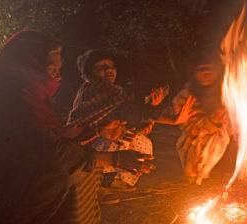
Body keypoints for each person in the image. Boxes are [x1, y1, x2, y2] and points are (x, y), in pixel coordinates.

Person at [0, 31, 154, 224]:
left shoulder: (24, 95)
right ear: (29, 66)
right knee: (70, 172)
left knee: (77, 165)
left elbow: (48, 141)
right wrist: (116, 160)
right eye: (51, 69)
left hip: (5, 189)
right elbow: (52, 155)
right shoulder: (12, 102)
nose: (57, 77)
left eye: (59, 70)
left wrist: (96, 132)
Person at [67, 49, 195, 191]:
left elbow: (132, 121)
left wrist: (152, 107)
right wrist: (170, 119)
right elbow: (126, 112)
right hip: (85, 144)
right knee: (120, 139)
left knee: (141, 142)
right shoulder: (92, 88)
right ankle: (101, 181)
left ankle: (120, 182)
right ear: (88, 75)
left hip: (101, 139)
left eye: (111, 66)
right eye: (101, 67)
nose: (109, 69)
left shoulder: (113, 91)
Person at [173, 51, 233, 185]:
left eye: (210, 69)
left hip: (229, 140)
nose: (206, 73)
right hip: (197, 142)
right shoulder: (185, 98)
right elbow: (188, 127)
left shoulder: (228, 93)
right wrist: (212, 122)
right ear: (193, 73)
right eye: (201, 69)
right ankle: (197, 178)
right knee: (210, 141)